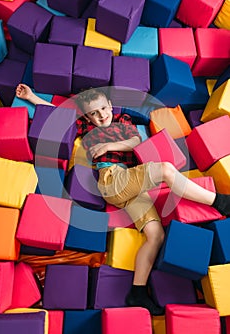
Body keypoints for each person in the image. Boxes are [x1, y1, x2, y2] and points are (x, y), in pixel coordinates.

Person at [16, 83, 230, 315]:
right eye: (93, 114)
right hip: (111, 179)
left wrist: (109, 144)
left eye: (103, 110)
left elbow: (136, 142)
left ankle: (137, 292)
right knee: (167, 170)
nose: (100, 117)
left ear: (110, 105)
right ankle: (219, 201)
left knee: (155, 235)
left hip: (130, 185)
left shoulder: (124, 120)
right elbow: (58, 116)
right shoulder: (86, 126)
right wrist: (31, 97)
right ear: (87, 116)